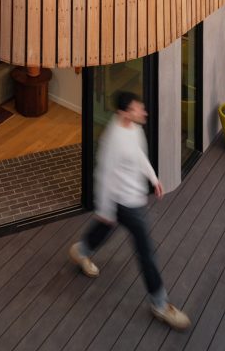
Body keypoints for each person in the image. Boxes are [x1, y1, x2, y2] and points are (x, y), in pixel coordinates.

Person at [69, 91, 191, 332]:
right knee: (146, 252)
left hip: (133, 199)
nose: (143, 112)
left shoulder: (135, 129)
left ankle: (81, 251)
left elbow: (139, 156)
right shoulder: (113, 140)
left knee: (106, 229)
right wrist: (105, 209)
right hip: (123, 203)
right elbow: (103, 176)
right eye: (138, 109)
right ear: (124, 113)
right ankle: (160, 304)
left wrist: (153, 178)